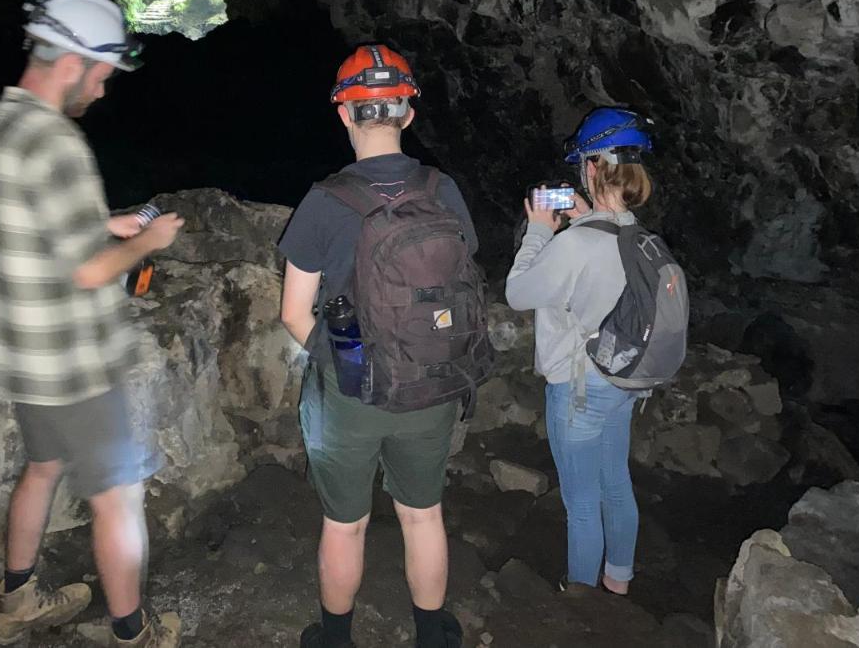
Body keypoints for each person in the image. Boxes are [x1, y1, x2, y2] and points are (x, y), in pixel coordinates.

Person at [0, 0, 184, 646]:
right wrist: (146, 241)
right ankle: (133, 632)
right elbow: (88, 269)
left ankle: (17, 598)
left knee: (42, 468)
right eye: (103, 75)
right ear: (76, 63)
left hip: (21, 351)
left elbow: (24, 224)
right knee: (119, 499)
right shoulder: (58, 142)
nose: (104, 91)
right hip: (76, 361)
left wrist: (101, 221)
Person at [278, 43, 476, 648]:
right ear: (408, 114)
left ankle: (336, 639)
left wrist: (345, 366)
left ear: (344, 114)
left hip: (353, 390)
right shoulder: (444, 192)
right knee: (423, 517)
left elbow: (292, 315)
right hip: (433, 382)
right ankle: (431, 635)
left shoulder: (323, 202)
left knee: (345, 525)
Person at [504, 107, 656, 597]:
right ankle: (619, 579)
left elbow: (519, 293)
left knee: (582, 503)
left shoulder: (576, 244)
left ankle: (583, 602)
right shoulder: (637, 234)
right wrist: (586, 216)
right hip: (621, 379)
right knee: (615, 482)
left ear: (591, 167)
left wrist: (538, 233)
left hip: (578, 390)